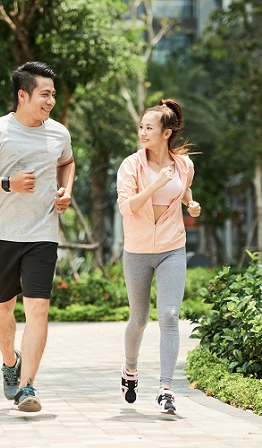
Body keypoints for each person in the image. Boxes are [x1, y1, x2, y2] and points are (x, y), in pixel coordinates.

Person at [0, 61, 75, 412]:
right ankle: (10, 362)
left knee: (38, 309)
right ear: (23, 95)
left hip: (42, 234)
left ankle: (27, 387)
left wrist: (66, 190)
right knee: (2, 309)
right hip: (2, 234)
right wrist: (6, 183)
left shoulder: (59, 133)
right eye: (44, 94)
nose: (51, 101)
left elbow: (67, 162)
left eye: (53, 94)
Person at [116, 98, 201, 414]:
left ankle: (166, 388)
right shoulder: (131, 165)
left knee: (169, 316)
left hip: (172, 248)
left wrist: (190, 204)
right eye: (140, 127)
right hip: (137, 251)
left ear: (167, 132)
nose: (142, 132)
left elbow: (184, 191)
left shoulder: (184, 165)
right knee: (138, 319)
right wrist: (156, 184)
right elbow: (127, 207)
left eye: (148, 127)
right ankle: (130, 370)